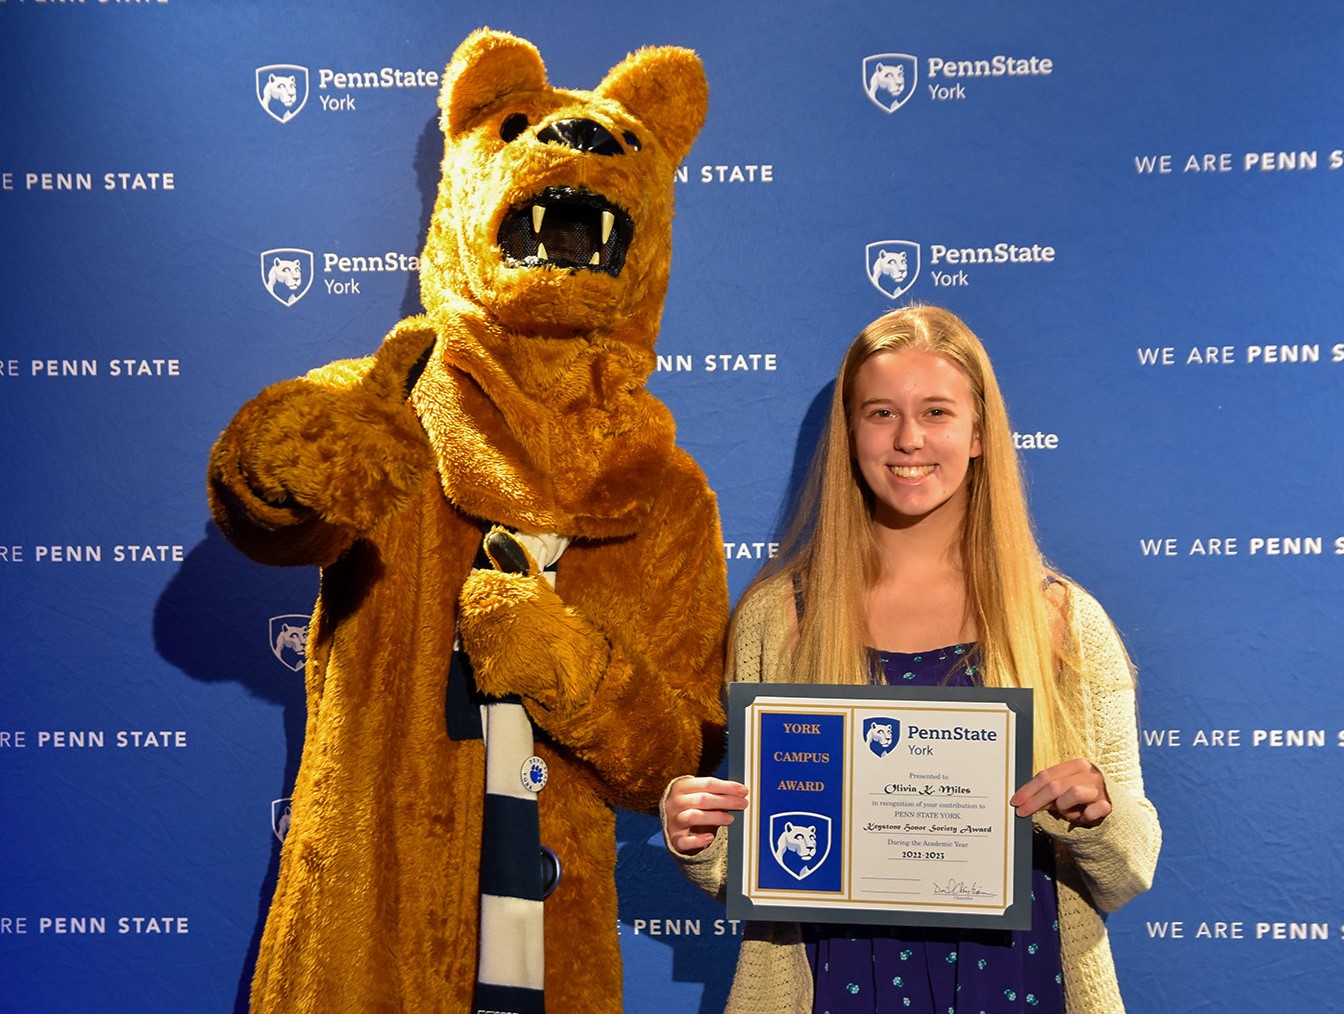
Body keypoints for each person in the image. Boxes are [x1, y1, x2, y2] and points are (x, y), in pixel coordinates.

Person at [662, 305, 1160, 1013]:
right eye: (880, 413)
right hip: (833, 983)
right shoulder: (782, 616)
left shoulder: (1063, 621)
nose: (909, 439)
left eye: (936, 412)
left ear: (980, 433)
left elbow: (1130, 868)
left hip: (1024, 980)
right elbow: (769, 854)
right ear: (850, 431)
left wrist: (1097, 817)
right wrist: (701, 837)